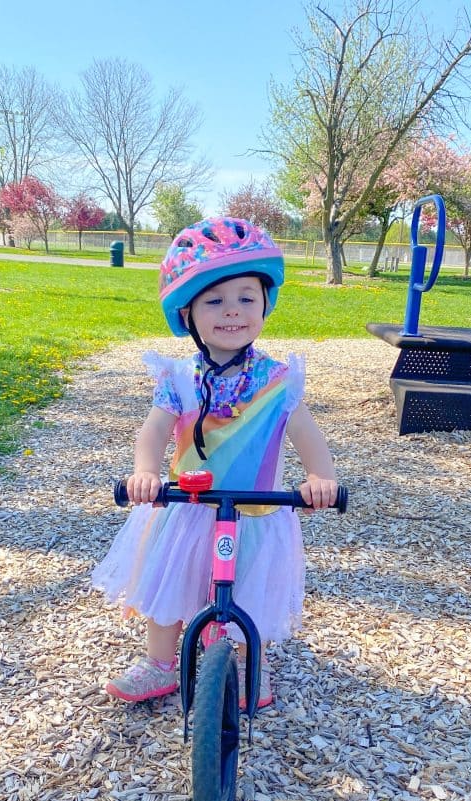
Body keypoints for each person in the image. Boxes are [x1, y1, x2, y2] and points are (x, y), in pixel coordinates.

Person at [93, 217, 337, 706]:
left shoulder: (277, 378)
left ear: (266, 304)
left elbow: (308, 437)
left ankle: (250, 665)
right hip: (188, 507)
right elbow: (154, 431)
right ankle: (160, 662)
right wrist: (146, 471)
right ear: (188, 313)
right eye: (215, 300)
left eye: (247, 298)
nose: (233, 312)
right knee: (168, 585)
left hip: (256, 513)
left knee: (250, 592)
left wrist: (320, 478)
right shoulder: (179, 378)